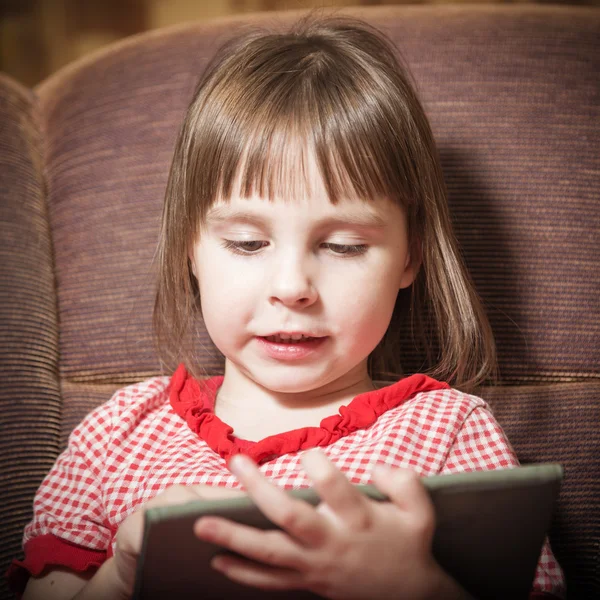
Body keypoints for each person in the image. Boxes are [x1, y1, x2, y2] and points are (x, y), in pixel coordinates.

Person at [9, 13, 565, 600]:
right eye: (248, 243)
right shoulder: (119, 435)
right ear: (189, 252)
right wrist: (122, 576)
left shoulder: (447, 432)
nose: (293, 286)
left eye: (344, 246)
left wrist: (412, 585)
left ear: (409, 259)